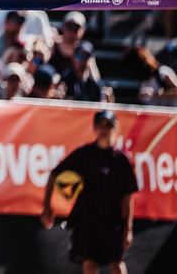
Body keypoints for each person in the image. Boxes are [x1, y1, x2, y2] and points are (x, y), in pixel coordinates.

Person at [41, 110, 138, 274]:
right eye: (100, 126)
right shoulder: (84, 154)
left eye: (108, 126)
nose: (104, 130)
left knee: (116, 263)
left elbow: (127, 195)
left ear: (115, 128)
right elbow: (54, 174)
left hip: (111, 221)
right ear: (95, 128)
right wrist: (47, 208)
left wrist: (128, 228)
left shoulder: (122, 160)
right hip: (86, 220)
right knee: (90, 262)